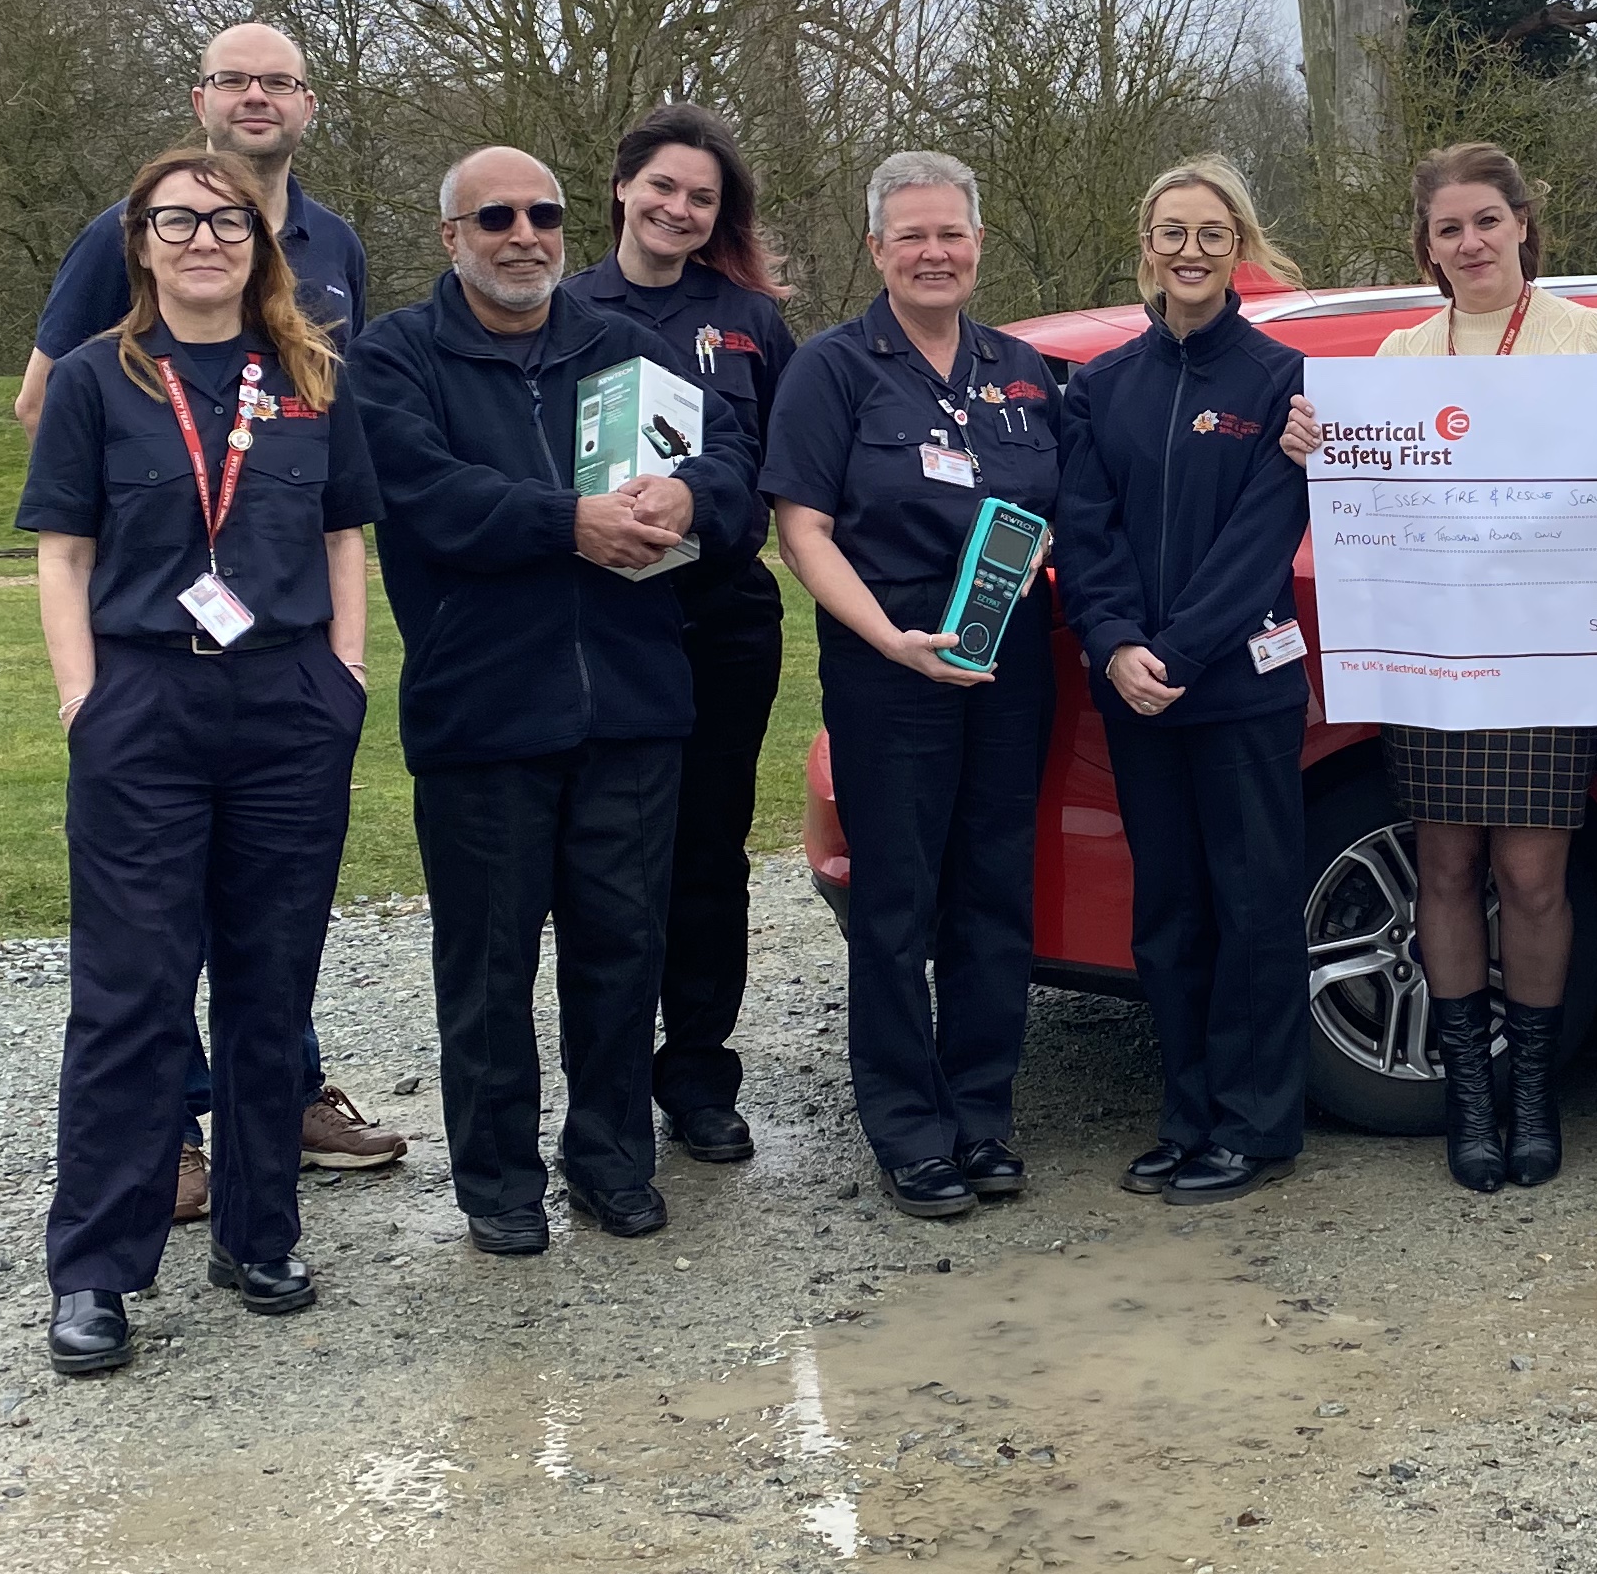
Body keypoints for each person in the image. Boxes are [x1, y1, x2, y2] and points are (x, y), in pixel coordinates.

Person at [13, 18, 403, 1207]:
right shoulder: (126, 232)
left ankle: (279, 1104)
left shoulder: (332, 245)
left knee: (268, 919)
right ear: (201, 98)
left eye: (276, 81)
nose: (255, 98)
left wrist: (343, 659)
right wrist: (163, 494)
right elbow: (46, 400)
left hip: (283, 645)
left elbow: (339, 442)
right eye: (233, 79)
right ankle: (173, 1136)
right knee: (148, 925)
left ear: (309, 106)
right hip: (154, 631)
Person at [354, 148, 754, 1254]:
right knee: (488, 966)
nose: (523, 233)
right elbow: (430, 499)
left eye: (544, 214)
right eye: (495, 216)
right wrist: (567, 521)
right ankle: (496, 1180)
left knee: (623, 949)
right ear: (452, 236)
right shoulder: (395, 357)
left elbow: (730, 471)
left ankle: (612, 1161)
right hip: (484, 716)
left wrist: (689, 491)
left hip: (631, 706)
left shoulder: (624, 350)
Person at [763, 151, 1064, 1222]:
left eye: (953, 234)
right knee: (897, 902)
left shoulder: (1025, 371)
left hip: (1008, 664)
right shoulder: (834, 371)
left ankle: (981, 1114)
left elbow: (1065, 507)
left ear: (979, 244)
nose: (935, 253)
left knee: (995, 891)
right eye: (913, 236)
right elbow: (802, 528)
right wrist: (891, 638)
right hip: (889, 663)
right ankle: (907, 1125)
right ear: (878, 248)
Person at [1369, 141, 1597, 1195]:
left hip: (1547, 650)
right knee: (1443, 869)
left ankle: (1532, 1091)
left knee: (1531, 877)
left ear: (1525, 222)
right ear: (1426, 247)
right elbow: (1368, 507)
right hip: (1438, 651)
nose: (1470, 242)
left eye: (1487, 219)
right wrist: (1315, 446)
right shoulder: (1395, 358)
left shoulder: (1593, 341)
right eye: (1448, 228)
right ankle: (1467, 1095)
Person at [1052, 156, 1313, 1205]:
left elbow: (1262, 539)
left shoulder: (1283, 381)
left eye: (1211, 233)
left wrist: (1182, 652)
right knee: (1168, 912)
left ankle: (1258, 1127)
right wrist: (1115, 642)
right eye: (1172, 232)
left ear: (1238, 246)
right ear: (1146, 246)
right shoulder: (1104, 385)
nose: (1191, 251)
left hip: (1237, 688)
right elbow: (1087, 525)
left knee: (1253, 908)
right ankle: (1187, 1114)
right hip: (1138, 690)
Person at [562, 101, 800, 1167]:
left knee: (711, 852)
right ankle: (603, 1083)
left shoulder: (750, 318)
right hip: (607, 622)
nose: (679, 208)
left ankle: (699, 1072)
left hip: (724, 620)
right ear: (621, 187)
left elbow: (784, 469)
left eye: (702, 197)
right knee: (611, 859)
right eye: (662, 186)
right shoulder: (562, 310)